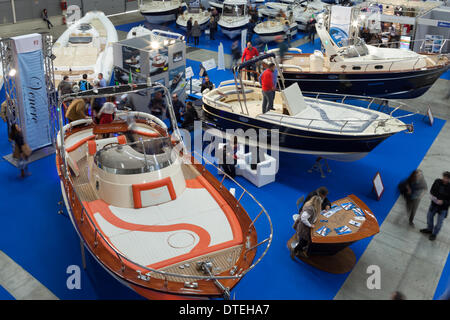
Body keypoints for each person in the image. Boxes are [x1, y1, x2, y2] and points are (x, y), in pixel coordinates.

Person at [420, 171, 450, 241]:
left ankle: (434, 234)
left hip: (443, 209)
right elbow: (432, 190)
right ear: (442, 176)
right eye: (444, 177)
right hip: (433, 205)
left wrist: (443, 202)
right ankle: (429, 229)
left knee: (439, 223)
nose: (445, 179)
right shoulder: (437, 181)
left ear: (449, 179)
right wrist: (434, 197)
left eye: (447, 178)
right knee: (429, 217)